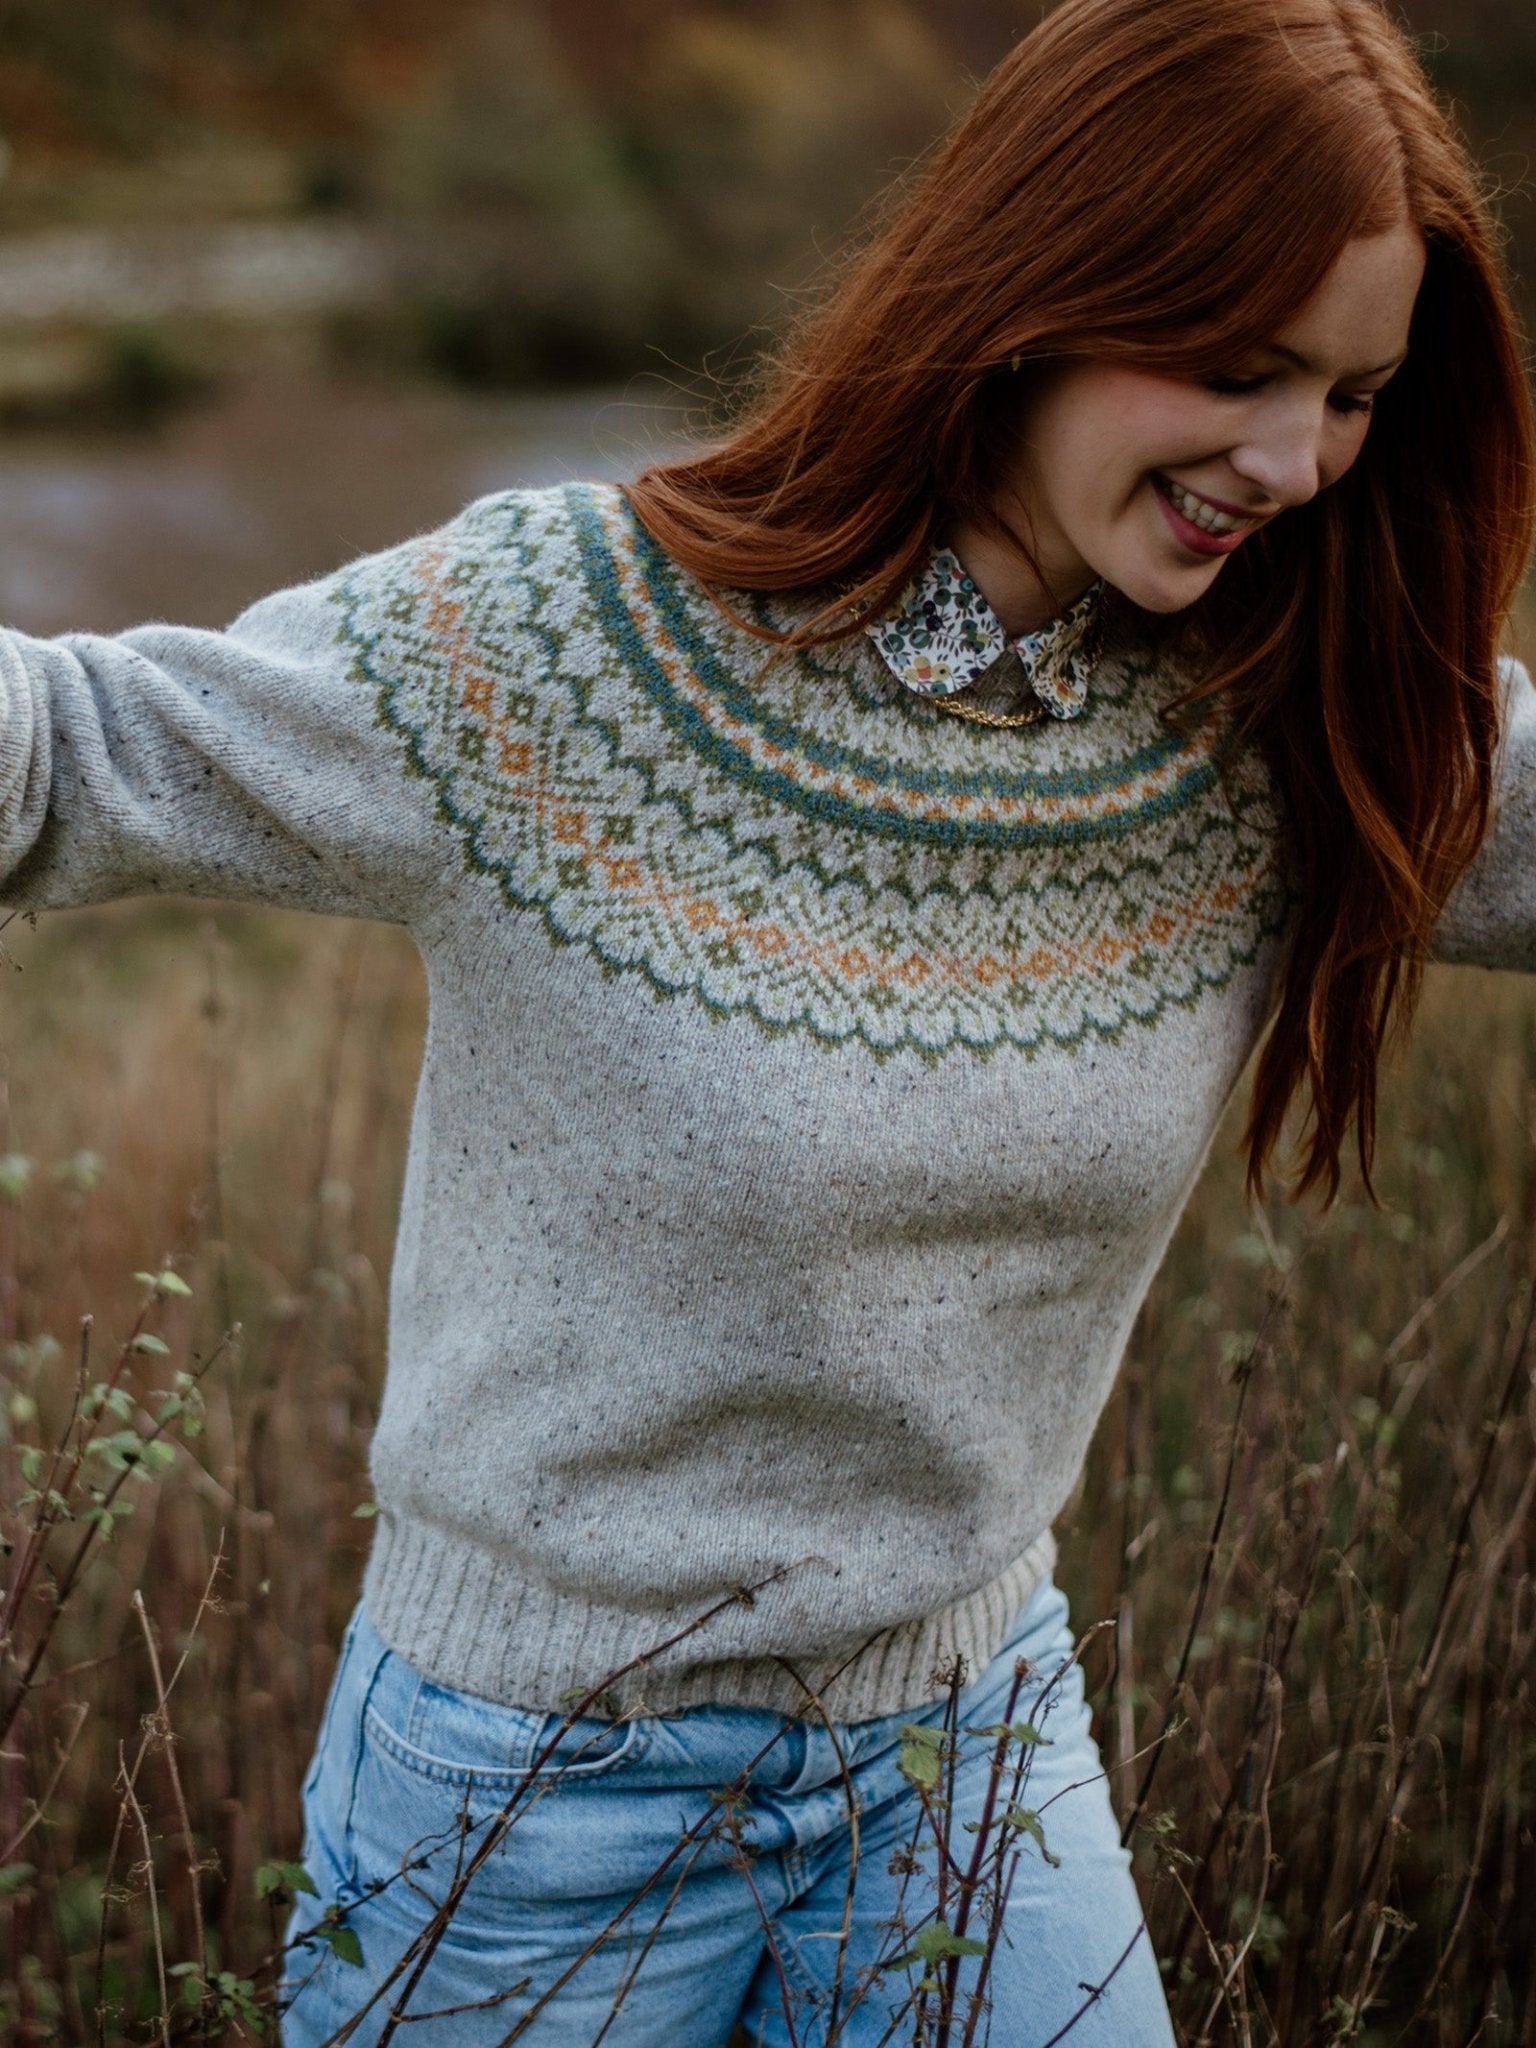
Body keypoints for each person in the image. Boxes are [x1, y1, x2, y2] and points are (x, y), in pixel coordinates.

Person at [3, 0, 1533, 2040]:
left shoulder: (1287, 702)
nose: (1293, 460)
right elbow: (78, 751)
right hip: (535, 1789)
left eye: (1354, 394)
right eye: (1240, 369)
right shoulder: (566, 649)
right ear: (1040, 296)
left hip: (969, 1742)